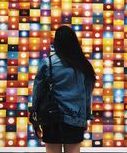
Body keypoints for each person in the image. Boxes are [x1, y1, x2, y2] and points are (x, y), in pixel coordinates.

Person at [31, 25, 96, 153]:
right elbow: (87, 94)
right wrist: (86, 117)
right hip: (76, 117)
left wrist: (35, 117)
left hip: (51, 117)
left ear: (56, 42)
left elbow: (38, 92)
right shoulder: (83, 65)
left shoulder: (48, 63)